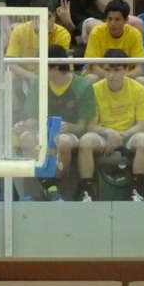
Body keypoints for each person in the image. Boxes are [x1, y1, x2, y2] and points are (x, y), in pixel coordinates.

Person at [14, 44, 96, 200]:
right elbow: (32, 119)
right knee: (26, 137)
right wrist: (22, 125)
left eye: (42, 66)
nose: (38, 70)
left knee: (63, 141)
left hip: (69, 135)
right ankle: (51, 188)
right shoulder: (38, 83)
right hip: (42, 133)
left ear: (55, 68)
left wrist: (70, 127)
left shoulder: (83, 86)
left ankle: (54, 184)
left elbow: (83, 127)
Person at [78, 48, 144, 202]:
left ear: (125, 69)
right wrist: (108, 132)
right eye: (107, 70)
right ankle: (87, 191)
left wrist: (120, 135)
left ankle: (137, 191)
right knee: (85, 141)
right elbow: (90, 126)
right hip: (103, 136)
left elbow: (142, 124)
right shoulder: (94, 89)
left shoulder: (138, 89)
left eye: (116, 70)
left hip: (129, 134)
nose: (111, 75)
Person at [6, 0, 71, 93]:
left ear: (54, 16)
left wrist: (42, 36)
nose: (45, 21)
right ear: (33, 17)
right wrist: (29, 75)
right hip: (25, 75)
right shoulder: (19, 31)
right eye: (40, 18)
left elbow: (56, 67)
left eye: (49, 17)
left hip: (50, 76)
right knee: (10, 77)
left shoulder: (63, 35)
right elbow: (10, 63)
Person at [83, 0, 144, 87]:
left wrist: (119, 77)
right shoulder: (96, 32)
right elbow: (94, 67)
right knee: (91, 78)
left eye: (117, 19)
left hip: (126, 77)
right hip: (102, 77)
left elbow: (139, 69)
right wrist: (112, 76)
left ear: (126, 20)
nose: (112, 23)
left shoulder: (135, 34)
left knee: (142, 81)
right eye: (109, 19)